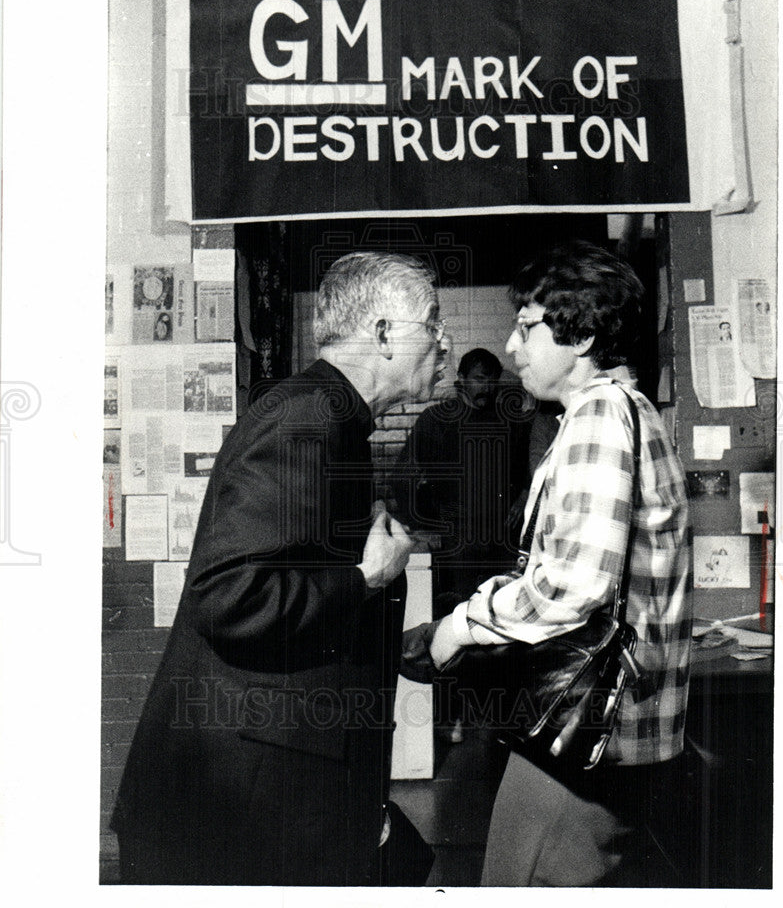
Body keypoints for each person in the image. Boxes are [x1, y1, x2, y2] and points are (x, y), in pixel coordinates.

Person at [111, 251, 448, 885]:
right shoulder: (306, 418)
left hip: (271, 799)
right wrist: (365, 578)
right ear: (382, 334)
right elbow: (228, 595)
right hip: (238, 815)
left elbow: (291, 590)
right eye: (432, 322)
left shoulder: (332, 419)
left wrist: (382, 641)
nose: (444, 340)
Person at [404, 241, 692, 886]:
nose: (511, 347)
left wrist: (460, 626)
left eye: (527, 326)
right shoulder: (627, 412)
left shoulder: (597, 418)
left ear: (582, 334)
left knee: (516, 886)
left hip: (587, 733)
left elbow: (570, 586)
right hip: (606, 731)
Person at [395, 348, 532, 613]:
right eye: (480, 379)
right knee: (460, 611)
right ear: (462, 378)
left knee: (502, 612)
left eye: (493, 380)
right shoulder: (435, 420)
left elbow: (531, 467)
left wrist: (524, 495)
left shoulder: (510, 422)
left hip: (502, 539)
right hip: (457, 541)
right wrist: (422, 526)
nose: (488, 387)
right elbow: (402, 478)